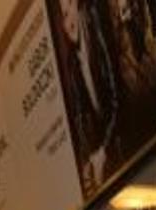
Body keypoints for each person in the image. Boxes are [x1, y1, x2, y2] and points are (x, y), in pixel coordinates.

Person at [51, 0, 119, 191]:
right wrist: (89, 156)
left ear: (77, 5)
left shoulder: (96, 27)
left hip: (126, 137)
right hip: (107, 145)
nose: (68, 24)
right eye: (63, 18)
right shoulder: (73, 63)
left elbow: (117, 97)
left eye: (68, 13)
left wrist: (103, 149)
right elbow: (80, 115)